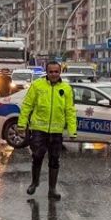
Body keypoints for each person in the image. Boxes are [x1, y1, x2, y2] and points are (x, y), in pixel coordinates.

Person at [16, 61, 77, 200]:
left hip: (56, 131)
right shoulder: (37, 85)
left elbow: (70, 110)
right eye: (51, 72)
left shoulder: (66, 88)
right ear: (47, 72)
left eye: (56, 71)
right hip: (38, 129)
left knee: (54, 160)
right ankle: (34, 182)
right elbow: (27, 106)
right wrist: (21, 125)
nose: (54, 74)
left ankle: (52, 189)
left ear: (60, 72)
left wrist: (72, 130)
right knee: (37, 156)